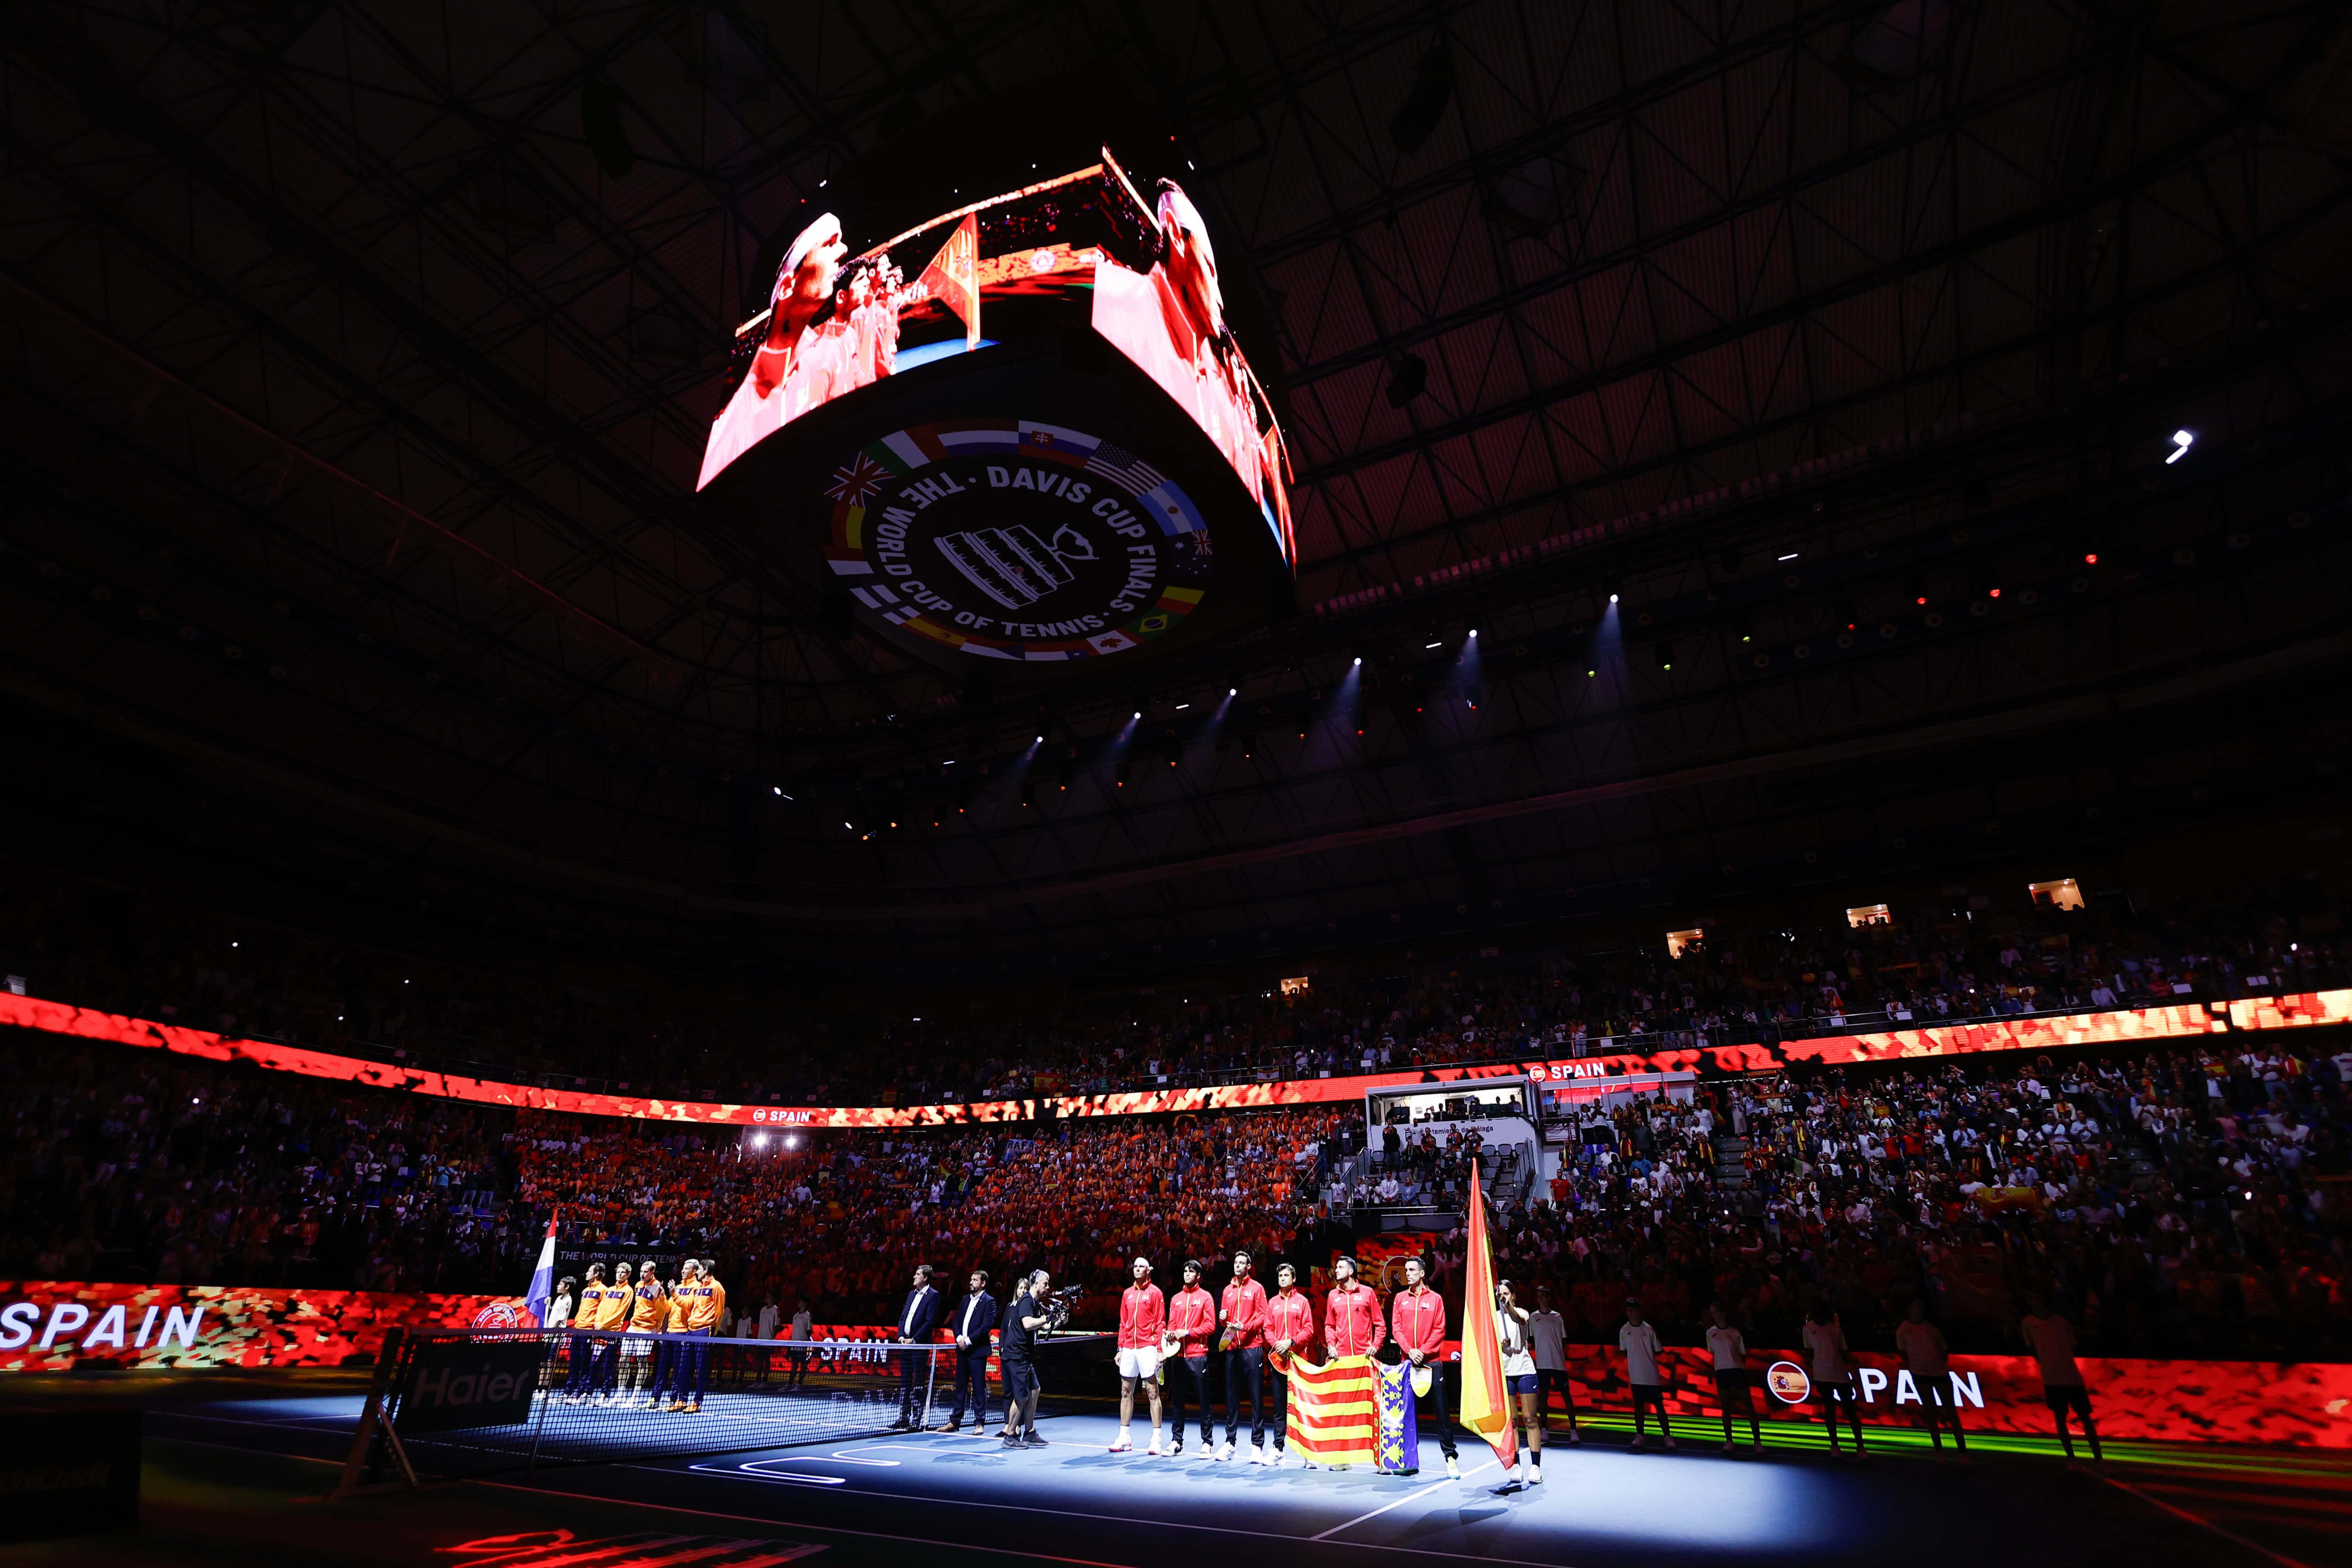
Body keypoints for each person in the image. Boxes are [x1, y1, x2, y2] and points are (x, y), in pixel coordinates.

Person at [1390, 1255, 1459, 1479]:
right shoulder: (1400, 1299)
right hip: (1407, 1362)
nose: (1407, 1273)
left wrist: (1423, 1351)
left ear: (1422, 1274)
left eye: (1412, 1270)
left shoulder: (1436, 1299)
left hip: (1432, 1363)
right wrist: (1410, 1350)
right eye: (1406, 1270)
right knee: (1408, 1413)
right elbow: (1396, 1329)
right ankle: (1409, 1459)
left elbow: (1440, 1329)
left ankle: (1450, 1459)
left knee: (1441, 1412)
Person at [2020, 1291, 2102, 1465]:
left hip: (2072, 1377)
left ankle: (2099, 1459)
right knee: (2061, 1418)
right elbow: (2031, 1348)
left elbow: (2072, 1345)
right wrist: (2047, 1364)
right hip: (2052, 1379)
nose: (2036, 1301)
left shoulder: (2060, 1322)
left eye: (2039, 1297)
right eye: (2033, 1298)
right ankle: (2071, 1459)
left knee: (2085, 1418)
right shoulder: (2028, 1323)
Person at [1896, 1298, 1966, 1461]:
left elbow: (1943, 1350)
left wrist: (1938, 1365)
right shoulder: (1903, 1330)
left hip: (1940, 1373)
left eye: (1921, 1305)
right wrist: (1914, 1366)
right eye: (1916, 1305)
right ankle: (1939, 1453)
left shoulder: (1932, 1329)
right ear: (1909, 1309)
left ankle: (1963, 1452)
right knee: (1930, 1412)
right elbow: (1902, 1351)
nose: (1920, 1308)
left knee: (1951, 1412)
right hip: (1920, 1375)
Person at [1218, 1250, 1272, 1462]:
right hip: (1232, 1349)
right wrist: (1223, 1319)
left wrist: (1246, 1327)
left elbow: (1263, 1316)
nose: (1238, 1266)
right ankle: (1230, 1443)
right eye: (1236, 1262)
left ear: (1249, 1266)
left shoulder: (1257, 1288)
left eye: (1242, 1263)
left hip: (1252, 1348)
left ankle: (1257, 1445)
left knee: (1256, 1397)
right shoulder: (1227, 1291)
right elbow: (1225, 1321)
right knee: (1231, 1397)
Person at [1113, 1256, 1168, 1454]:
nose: (1137, 1270)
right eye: (1135, 1266)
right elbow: (1123, 1323)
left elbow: (1161, 1323)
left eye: (1141, 1267)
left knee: (1153, 1393)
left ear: (1148, 1271)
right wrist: (1120, 1349)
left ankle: (1157, 1439)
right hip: (1128, 1347)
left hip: (1148, 1347)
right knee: (1125, 1392)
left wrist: (1160, 1350)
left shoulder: (1156, 1293)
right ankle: (1125, 1437)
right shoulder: (1127, 1294)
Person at [1163, 1259, 1217, 1457]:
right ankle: (1177, 1441)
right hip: (1178, 1355)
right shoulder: (1176, 1298)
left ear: (1198, 1276)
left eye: (1191, 1271)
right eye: (1185, 1271)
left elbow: (1211, 1326)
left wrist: (1188, 1332)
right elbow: (1171, 1324)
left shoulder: (1206, 1297)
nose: (1187, 1274)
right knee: (1177, 1400)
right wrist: (1170, 1333)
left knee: (1204, 1400)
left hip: (1198, 1355)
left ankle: (1207, 1442)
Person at [1264, 1262, 1315, 1467]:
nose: (1283, 1278)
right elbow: (1267, 1329)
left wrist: (1291, 1342)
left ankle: (1308, 1453)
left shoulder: (1302, 1302)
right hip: (1278, 1362)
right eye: (1280, 1276)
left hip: (1298, 1361)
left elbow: (1309, 1330)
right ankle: (1278, 1449)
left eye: (1286, 1275)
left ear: (1294, 1279)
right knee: (1279, 1407)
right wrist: (1277, 1344)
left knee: (1301, 1406)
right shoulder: (1273, 1303)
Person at [937, 1269, 999, 1433]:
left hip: (977, 1351)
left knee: (979, 1388)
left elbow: (986, 1326)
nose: (971, 1282)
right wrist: (958, 1338)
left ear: (983, 1283)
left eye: (975, 1280)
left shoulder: (989, 1302)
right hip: (962, 1349)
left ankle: (979, 1423)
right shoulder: (965, 1300)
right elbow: (957, 1321)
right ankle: (955, 1421)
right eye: (971, 1279)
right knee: (960, 1386)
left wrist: (969, 1341)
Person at [1495, 1279, 1544, 1486]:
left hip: (1524, 1371)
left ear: (1513, 1296)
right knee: (1512, 1421)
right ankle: (1516, 1465)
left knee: (1530, 1419)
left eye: (1506, 1294)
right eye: (1500, 1294)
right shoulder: (1494, 1319)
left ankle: (1536, 1467)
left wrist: (1508, 1307)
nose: (1503, 1297)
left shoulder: (1522, 1312)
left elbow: (1518, 1320)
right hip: (1506, 1373)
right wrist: (1501, 1345)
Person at [1802, 1302, 1866, 1457]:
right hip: (1822, 1375)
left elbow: (1844, 1351)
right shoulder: (1808, 1329)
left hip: (1839, 1374)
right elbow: (1809, 1351)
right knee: (1829, 1410)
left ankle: (1861, 1447)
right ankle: (1835, 1447)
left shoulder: (1835, 1329)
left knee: (1850, 1410)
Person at [999, 1270, 1052, 1449]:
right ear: (1036, 1284)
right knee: (1021, 1396)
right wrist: (1046, 1318)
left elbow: (1043, 1326)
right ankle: (1010, 1436)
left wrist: (1057, 1320)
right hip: (1016, 1356)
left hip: (1025, 1356)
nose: (1048, 1287)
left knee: (1035, 1390)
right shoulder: (1026, 1301)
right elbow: (1028, 1324)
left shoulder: (1035, 1303)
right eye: (1046, 1283)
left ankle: (1029, 1433)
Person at [891, 1264, 943, 1430]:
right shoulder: (911, 1295)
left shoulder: (933, 1296)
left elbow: (930, 1322)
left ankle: (916, 1418)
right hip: (904, 1345)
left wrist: (914, 1340)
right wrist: (900, 1336)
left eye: (918, 1274)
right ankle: (904, 1417)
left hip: (919, 1346)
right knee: (905, 1382)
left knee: (918, 1382)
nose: (914, 1276)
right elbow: (902, 1317)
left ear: (925, 1278)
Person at [1618, 1298, 1675, 1451]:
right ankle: (1640, 1435)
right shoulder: (1624, 1331)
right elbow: (1624, 1351)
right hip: (1636, 1376)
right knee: (1639, 1406)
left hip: (1651, 1375)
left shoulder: (1649, 1330)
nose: (1630, 1313)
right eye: (1628, 1310)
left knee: (1659, 1406)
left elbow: (1658, 1350)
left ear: (1639, 1311)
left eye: (1633, 1309)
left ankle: (1668, 1436)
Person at [671, 1258, 725, 1414]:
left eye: (700, 1270)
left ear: (706, 1271)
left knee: (701, 1369)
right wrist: (674, 1294)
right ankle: (682, 1400)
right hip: (691, 1330)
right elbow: (689, 1306)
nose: (697, 1273)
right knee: (684, 1366)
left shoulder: (717, 1288)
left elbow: (719, 1312)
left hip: (704, 1331)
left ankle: (697, 1402)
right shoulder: (698, 1287)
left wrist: (712, 1333)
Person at [1705, 1302, 1761, 1452]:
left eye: (1715, 1312)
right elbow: (1713, 1353)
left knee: (1749, 1405)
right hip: (1722, 1372)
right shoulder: (1710, 1333)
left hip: (1738, 1371)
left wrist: (1738, 1366)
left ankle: (1757, 1442)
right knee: (1726, 1407)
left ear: (1723, 1313)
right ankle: (1729, 1440)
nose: (1713, 1315)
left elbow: (1743, 1354)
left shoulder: (1736, 1332)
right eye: (1712, 1312)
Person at [1528, 1286, 1580, 1446]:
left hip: (1558, 1364)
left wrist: (1556, 1353)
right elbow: (1531, 1339)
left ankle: (1573, 1430)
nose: (1540, 1299)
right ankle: (1544, 1430)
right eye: (1538, 1296)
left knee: (1566, 1396)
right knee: (1543, 1396)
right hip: (1542, 1365)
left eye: (1543, 1296)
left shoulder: (1557, 1317)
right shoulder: (1533, 1317)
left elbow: (1563, 1339)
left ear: (1548, 1298)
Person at [621, 1261, 668, 1409]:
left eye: (646, 1272)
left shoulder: (657, 1288)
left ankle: (635, 1396)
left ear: (652, 1273)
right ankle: (621, 1394)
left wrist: (658, 1327)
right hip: (633, 1326)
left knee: (642, 1362)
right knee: (624, 1358)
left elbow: (664, 1310)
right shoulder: (638, 1285)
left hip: (647, 1329)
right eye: (641, 1271)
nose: (642, 1274)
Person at [564, 1263, 610, 1403]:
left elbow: (603, 1310)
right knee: (574, 1363)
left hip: (590, 1332)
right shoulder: (585, 1290)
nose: (587, 1273)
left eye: (589, 1271)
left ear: (596, 1274)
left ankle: (582, 1393)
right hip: (578, 1329)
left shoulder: (604, 1290)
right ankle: (568, 1392)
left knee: (586, 1364)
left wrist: (597, 1327)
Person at [538, 1274, 577, 1397]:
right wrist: (548, 1305)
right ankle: (539, 1389)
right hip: (548, 1335)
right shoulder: (558, 1299)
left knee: (550, 1363)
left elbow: (560, 1320)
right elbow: (553, 1312)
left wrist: (552, 1331)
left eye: (561, 1284)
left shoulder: (568, 1300)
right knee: (543, 1362)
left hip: (555, 1336)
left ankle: (546, 1390)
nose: (558, 1286)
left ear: (567, 1287)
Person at [786, 1298, 814, 1390]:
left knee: (803, 1366)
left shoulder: (808, 1316)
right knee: (794, 1365)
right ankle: (790, 1384)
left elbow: (810, 1331)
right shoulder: (796, 1316)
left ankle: (799, 1384)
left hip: (803, 1346)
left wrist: (804, 1341)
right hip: (794, 1345)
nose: (799, 1303)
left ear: (805, 1304)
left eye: (801, 1301)